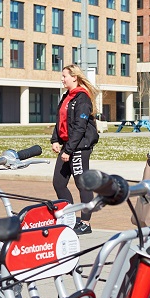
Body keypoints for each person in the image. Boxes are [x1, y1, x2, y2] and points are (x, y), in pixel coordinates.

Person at [51, 64, 100, 235]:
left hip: (79, 147)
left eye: (64, 76)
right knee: (59, 182)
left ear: (75, 77)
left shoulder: (82, 98)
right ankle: (70, 217)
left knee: (82, 185)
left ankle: (85, 223)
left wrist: (69, 150)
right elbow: (61, 121)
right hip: (68, 146)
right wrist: (55, 139)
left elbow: (79, 127)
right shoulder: (67, 96)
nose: (62, 79)